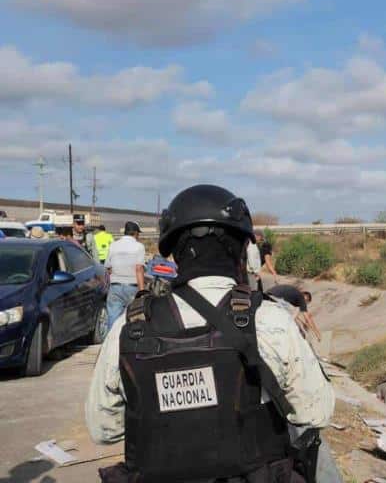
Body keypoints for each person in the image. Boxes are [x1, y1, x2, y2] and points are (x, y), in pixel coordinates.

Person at [86, 185, 334, 483]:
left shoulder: (130, 326)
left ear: (175, 252)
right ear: (240, 249)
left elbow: (103, 430)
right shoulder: (270, 320)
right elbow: (316, 413)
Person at [103, 222, 145, 331]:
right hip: (132, 288)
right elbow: (139, 269)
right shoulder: (139, 246)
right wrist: (142, 291)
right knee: (133, 319)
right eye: (138, 234)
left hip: (115, 287)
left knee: (113, 319)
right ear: (135, 233)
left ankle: (112, 344)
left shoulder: (113, 245)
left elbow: (108, 267)